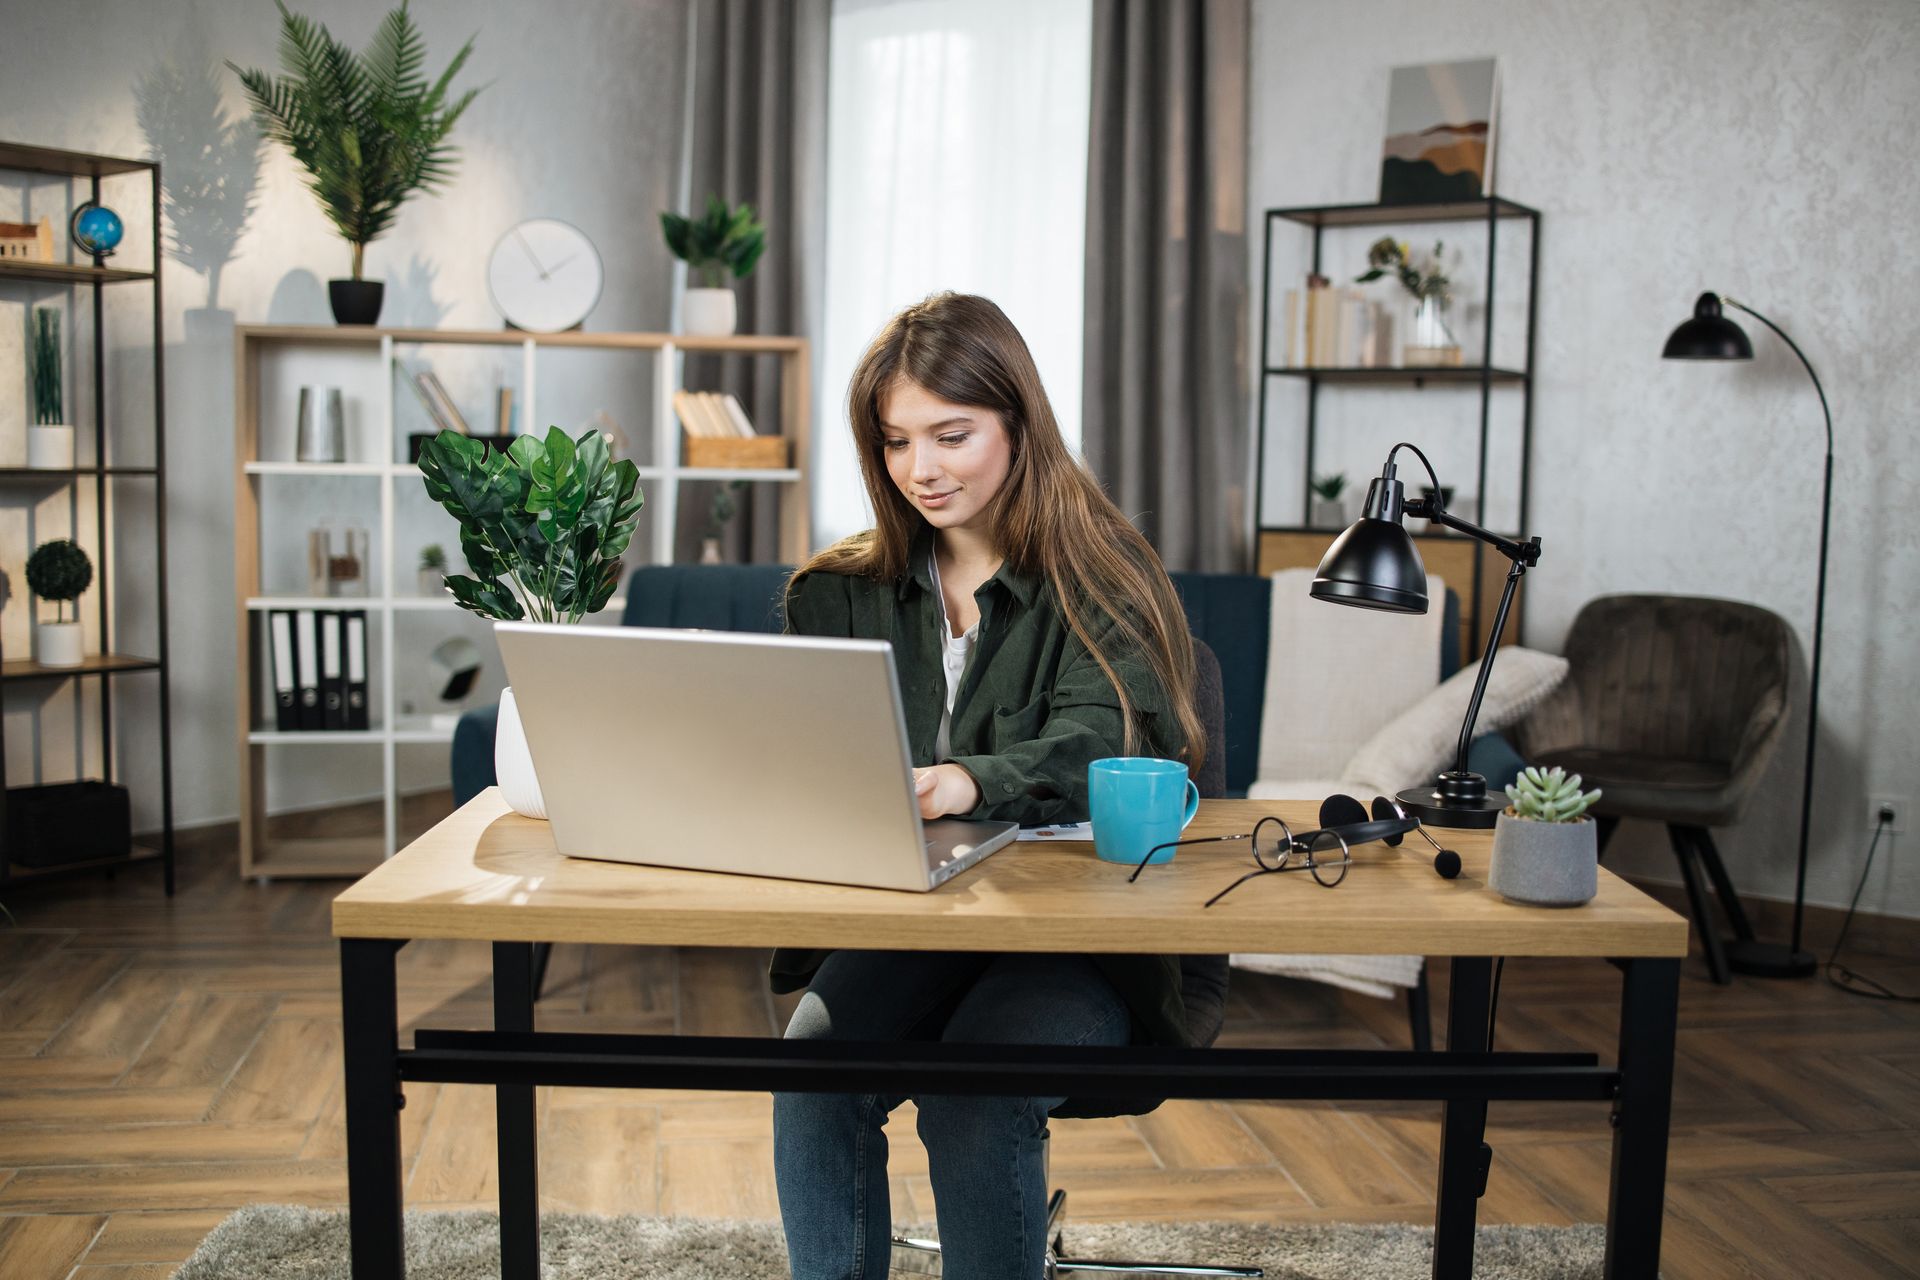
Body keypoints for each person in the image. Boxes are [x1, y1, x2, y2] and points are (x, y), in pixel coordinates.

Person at [770, 291, 1205, 1280]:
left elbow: (1106, 740)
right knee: (809, 1070)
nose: (921, 468)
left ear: (1018, 421)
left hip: (1072, 940)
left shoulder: (1103, 574)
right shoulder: (836, 592)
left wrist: (966, 778)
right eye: (895, 441)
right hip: (910, 925)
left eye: (952, 434)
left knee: (973, 1090)